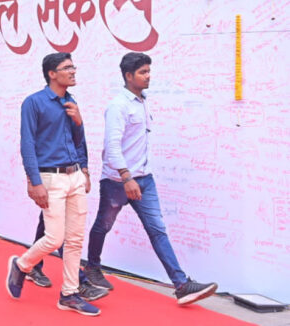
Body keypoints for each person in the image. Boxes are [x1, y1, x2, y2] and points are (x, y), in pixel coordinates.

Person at [84, 52, 218, 305]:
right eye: (143, 72)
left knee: (157, 230)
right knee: (103, 225)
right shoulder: (118, 106)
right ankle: (92, 267)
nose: (149, 76)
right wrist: (126, 177)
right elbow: (111, 147)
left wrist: (136, 177)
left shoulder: (142, 101)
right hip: (117, 181)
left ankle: (182, 285)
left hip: (144, 179)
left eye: (149, 71)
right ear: (128, 76)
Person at [5, 52, 102, 316]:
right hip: (50, 178)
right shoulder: (34, 103)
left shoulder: (71, 102)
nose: (73, 71)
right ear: (52, 74)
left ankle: (69, 294)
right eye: (67, 67)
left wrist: (85, 170)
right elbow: (27, 144)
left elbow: (78, 141)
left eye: (73, 66)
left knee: (74, 241)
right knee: (54, 238)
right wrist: (33, 181)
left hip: (75, 177)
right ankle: (22, 265)